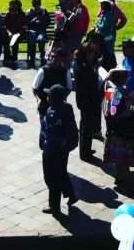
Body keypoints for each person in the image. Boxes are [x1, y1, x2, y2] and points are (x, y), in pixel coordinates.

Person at [39, 84, 79, 216]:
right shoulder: (49, 109)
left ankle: (54, 207)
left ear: (55, 98)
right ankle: (70, 194)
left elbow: (71, 134)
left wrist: (63, 147)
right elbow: (44, 128)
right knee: (56, 175)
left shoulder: (64, 113)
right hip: (47, 149)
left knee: (53, 179)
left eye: (49, 95)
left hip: (57, 152)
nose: (47, 97)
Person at [25, 0, 50, 69]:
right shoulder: (29, 12)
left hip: (41, 31)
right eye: (35, 4)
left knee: (41, 39)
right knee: (32, 38)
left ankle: (42, 56)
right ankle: (32, 57)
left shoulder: (44, 11)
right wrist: (33, 21)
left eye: (38, 4)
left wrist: (41, 22)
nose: (36, 6)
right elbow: (26, 24)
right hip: (32, 31)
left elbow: (48, 22)